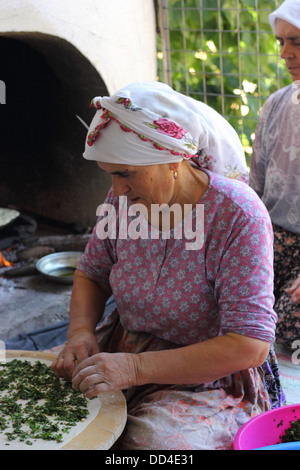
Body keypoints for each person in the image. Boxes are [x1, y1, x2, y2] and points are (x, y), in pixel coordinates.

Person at [52, 81, 284, 450]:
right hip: (125, 348)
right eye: (110, 174)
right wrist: (80, 332)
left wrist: (134, 369)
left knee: (150, 444)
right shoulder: (121, 198)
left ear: (173, 159)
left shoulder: (237, 215)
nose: (117, 189)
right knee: (49, 413)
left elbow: (249, 344)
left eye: (125, 173)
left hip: (210, 376)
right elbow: (91, 274)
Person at [250, 0, 300, 353]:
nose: (285, 53)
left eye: (297, 41)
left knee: (290, 329)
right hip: (275, 237)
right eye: (281, 41)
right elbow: (255, 187)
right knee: (243, 314)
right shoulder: (275, 105)